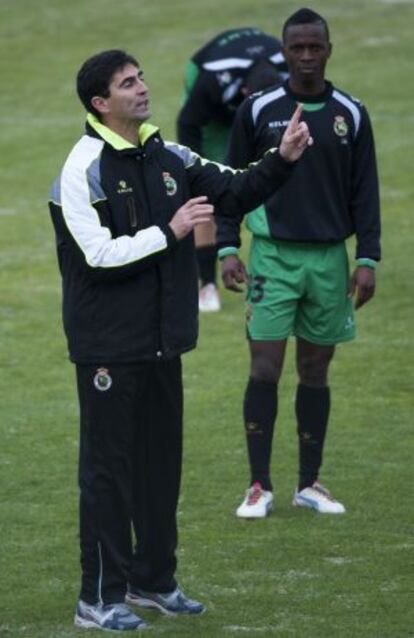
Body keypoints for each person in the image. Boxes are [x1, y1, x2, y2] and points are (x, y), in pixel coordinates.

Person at [48, 49, 311, 631]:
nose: (142, 88)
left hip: (162, 343)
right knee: (108, 474)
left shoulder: (169, 154)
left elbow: (234, 190)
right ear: (100, 102)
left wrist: (284, 159)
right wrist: (168, 233)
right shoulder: (82, 166)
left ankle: (153, 581)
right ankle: (98, 598)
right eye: (127, 83)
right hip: (107, 349)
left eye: (141, 77)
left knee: (160, 468)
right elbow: (96, 256)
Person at [217, 8, 381, 519]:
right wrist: (226, 246)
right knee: (265, 367)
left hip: (330, 260)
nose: (307, 56)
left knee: (315, 370)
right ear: (284, 52)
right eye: (298, 48)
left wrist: (367, 257)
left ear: (328, 50)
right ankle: (258, 486)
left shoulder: (350, 113)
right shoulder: (258, 109)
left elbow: (365, 191)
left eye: (315, 47)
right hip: (272, 257)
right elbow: (231, 182)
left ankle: (309, 483)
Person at [177, 28, 288, 312]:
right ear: (244, 92)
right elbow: (188, 124)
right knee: (207, 194)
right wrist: (196, 174)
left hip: (242, 100)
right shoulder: (213, 81)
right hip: (211, 116)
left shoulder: (291, 68)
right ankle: (207, 286)